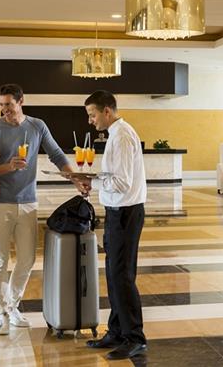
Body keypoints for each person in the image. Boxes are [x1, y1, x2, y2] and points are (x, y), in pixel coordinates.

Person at [0, 84, 73, 335]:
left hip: (29, 201)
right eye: (1, 105)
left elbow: (56, 154)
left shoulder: (37, 126)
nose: (5, 110)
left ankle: (12, 305)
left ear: (21, 101)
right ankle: (1, 313)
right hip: (0, 202)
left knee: (27, 259)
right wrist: (9, 167)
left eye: (9, 105)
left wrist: (74, 177)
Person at [78, 90, 147, 360]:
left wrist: (92, 182)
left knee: (122, 276)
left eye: (92, 114)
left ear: (107, 111)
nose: (90, 120)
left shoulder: (122, 136)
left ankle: (135, 337)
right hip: (117, 212)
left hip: (126, 213)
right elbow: (115, 177)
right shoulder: (116, 134)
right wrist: (92, 180)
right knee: (113, 274)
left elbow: (121, 183)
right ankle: (117, 331)